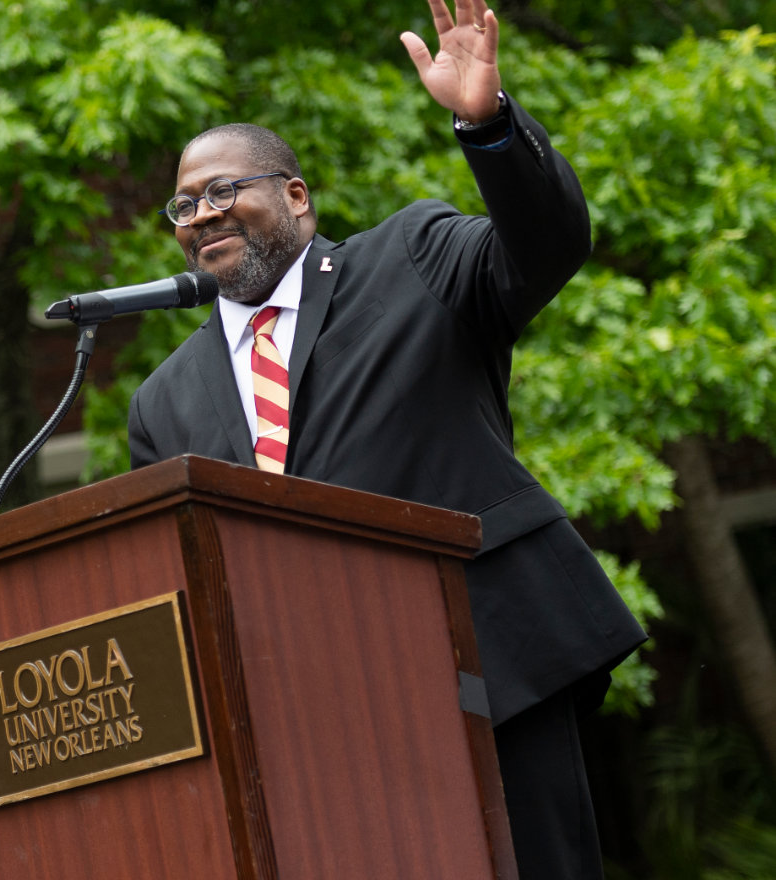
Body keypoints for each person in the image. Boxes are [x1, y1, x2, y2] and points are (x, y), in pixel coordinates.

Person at [126, 0, 646, 877]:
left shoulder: (410, 258)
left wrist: (487, 126)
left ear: (295, 196)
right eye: (184, 205)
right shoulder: (162, 401)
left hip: (485, 666)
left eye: (223, 191)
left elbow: (548, 246)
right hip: (315, 726)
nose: (202, 215)